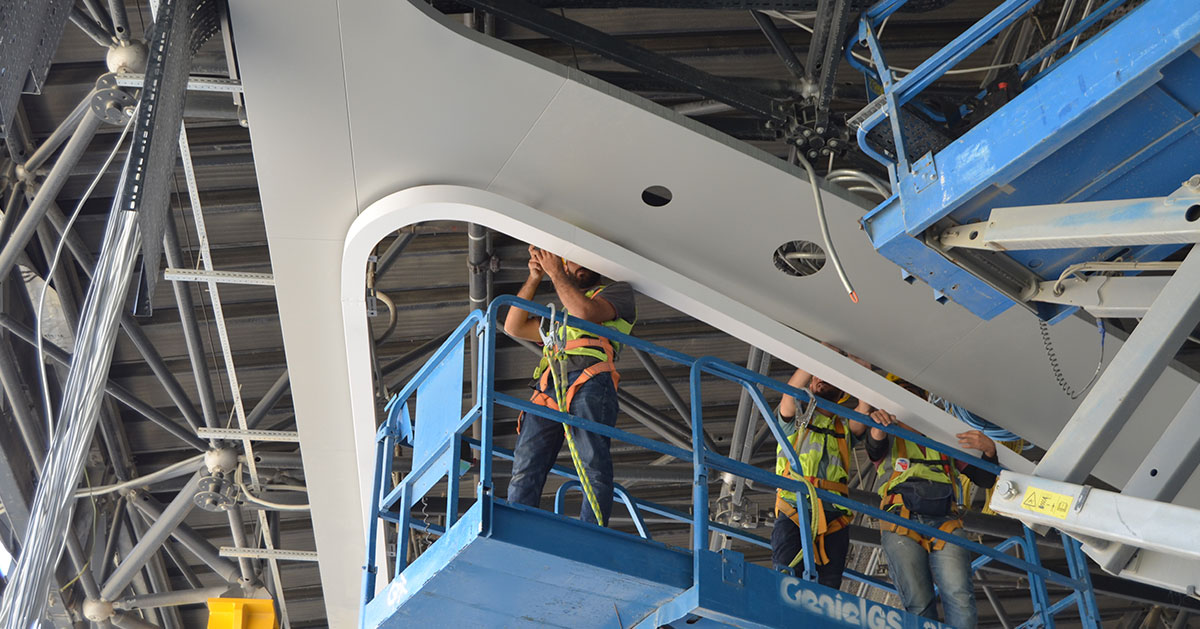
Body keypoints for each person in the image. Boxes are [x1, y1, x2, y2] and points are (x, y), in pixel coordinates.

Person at [503, 245, 637, 526]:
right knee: (525, 465)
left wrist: (555, 273)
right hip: (548, 390)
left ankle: (592, 529)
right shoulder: (558, 318)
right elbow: (513, 326)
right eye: (572, 262)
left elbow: (586, 312)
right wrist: (535, 277)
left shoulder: (616, 293)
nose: (580, 266)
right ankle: (519, 527)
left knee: (591, 463)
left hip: (590, 379)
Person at [865, 378, 999, 629]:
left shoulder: (943, 438)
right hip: (901, 519)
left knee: (960, 597)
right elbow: (874, 444)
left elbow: (985, 477)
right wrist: (878, 425)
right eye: (900, 396)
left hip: (944, 519)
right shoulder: (888, 432)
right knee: (918, 603)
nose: (907, 401)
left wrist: (989, 451)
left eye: (913, 395)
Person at [771, 346, 871, 590]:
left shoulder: (844, 428)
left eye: (829, 379)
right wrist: (815, 358)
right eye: (818, 377)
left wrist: (864, 370)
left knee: (828, 589)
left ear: (842, 391)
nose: (821, 380)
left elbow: (865, 410)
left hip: (833, 515)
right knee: (787, 582)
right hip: (794, 508)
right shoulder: (796, 420)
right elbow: (788, 396)